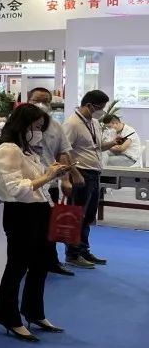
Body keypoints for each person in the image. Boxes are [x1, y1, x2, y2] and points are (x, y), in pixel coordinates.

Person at [0, 103, 69, 342]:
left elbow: (34, 182)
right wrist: (48, 176)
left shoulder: (26, 150)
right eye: (36, 127)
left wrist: (51, 173)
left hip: (39, 211)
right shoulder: (8, 150)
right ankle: (8, 316)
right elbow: (16, 188)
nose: (39, 132)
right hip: (21, 214)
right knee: (17, 266)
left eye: (41, 127)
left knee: (41, 264)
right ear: (23, 125)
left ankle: (34, 312)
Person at [61, 90, 125, 269]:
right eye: (100, 108)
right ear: (89, 105)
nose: (102, 111)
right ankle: (73, 254)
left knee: (88, 216)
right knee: (76, 215)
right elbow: (64, 152)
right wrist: (70, 176)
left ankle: (83, 250)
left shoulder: (94, 122)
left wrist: (113, 143)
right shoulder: (72, 123)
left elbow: (97, 147)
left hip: (94, 174)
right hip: (80, 174)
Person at [26, 87, 75, 277]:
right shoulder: (18, 124)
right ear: (28, 101)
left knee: (50, 226)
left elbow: (63, 152)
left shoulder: (55, 126)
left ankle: (51, 262)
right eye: (36, 100)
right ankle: (29, 263)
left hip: (51, 184)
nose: (41, 104)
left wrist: (66, 179)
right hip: (29, 185)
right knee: (31, 229)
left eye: (45, 101)